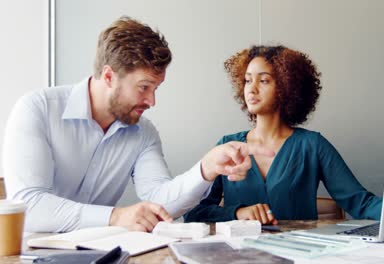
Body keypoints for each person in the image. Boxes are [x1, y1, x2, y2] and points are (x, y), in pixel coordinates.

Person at [2, 17, 274, 233]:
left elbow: (161, 201)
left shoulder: (143, 133)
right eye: (144, 87)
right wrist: (116, 216)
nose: (152, 100)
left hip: (101, 253)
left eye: (156, 88)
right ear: (109, 76)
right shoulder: (37, 109)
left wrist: (207, 168)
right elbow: (30, 206)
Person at [184, 45, 384, 227]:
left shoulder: (312, 145)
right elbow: (195, 212)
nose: (251, 88)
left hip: (299, 256)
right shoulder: (228, 146)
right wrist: (238, 213)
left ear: (286, 87)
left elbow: (359, 202)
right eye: (247, 80)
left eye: (263, 81)